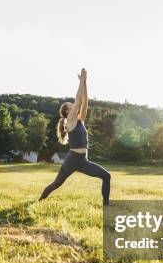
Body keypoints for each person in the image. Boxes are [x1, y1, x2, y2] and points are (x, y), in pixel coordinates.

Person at [39, 68, 111, 206]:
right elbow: (78, 100)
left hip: (83, 161)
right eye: (70, 105)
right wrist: (82, 80)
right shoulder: (69, 120)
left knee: (106, 176)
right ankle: (40, 200)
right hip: (71, 161)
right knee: (56, 184)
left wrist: (85, 82)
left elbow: (84, 102)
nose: (73, 105)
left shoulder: (79, 120)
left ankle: (106, 205)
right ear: (67, 111)